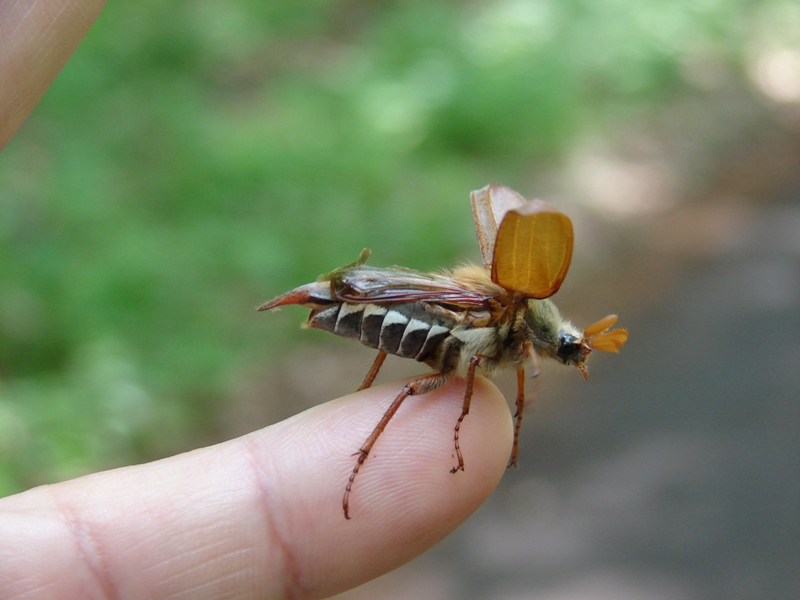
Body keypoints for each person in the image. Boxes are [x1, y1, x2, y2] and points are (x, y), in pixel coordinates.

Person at [0, 2, 512, 597]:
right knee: (419, 364)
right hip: (405, 309)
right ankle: (361, 440)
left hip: (419, 318)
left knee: (424, 365)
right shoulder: (510, 323)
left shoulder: (508, 342)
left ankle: (362, 429)